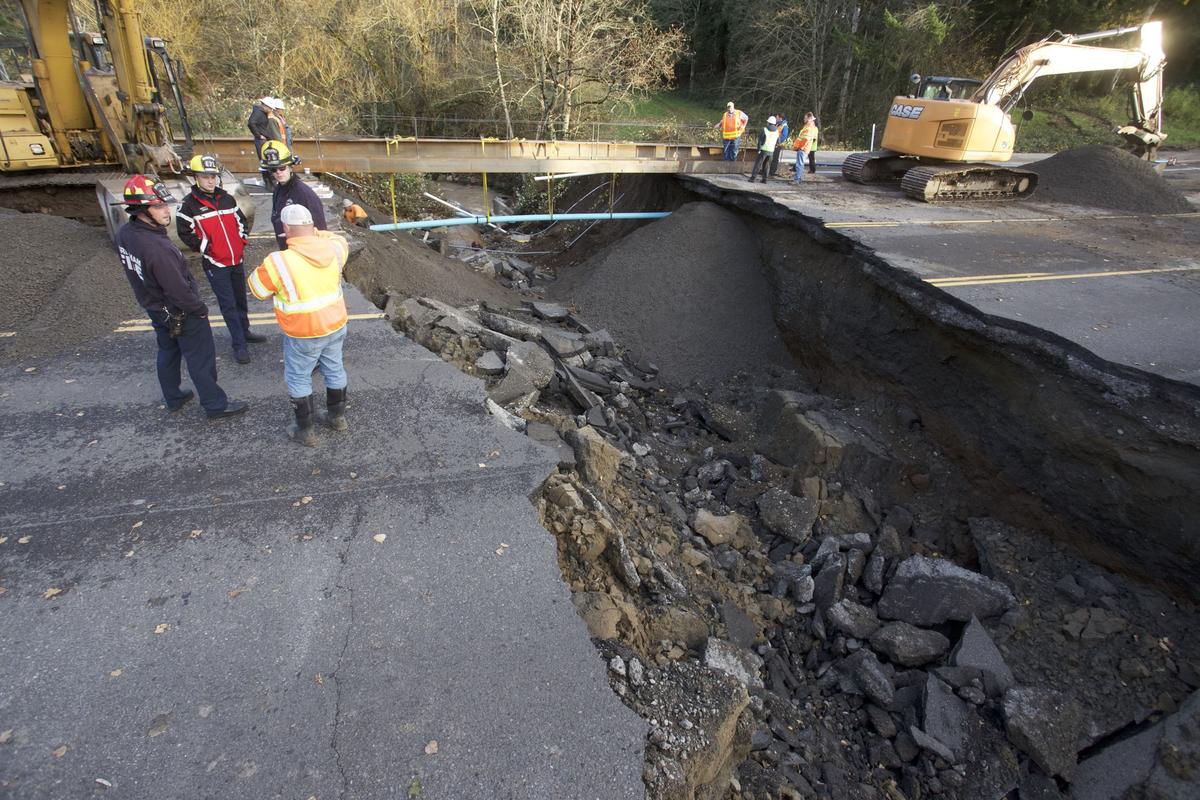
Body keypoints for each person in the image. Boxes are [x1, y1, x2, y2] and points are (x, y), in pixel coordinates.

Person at [114, 175, 248, 420]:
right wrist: (199, 309)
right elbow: (177, 290)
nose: (167, 211)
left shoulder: (126, 233)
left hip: (155, 308)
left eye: (166, 204)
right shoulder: (157, 248)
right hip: (180, 311)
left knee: (168, 350)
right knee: (201, 358)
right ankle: (215, 405)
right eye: (159, 206)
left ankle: (173, 397)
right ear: (141, 210)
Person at [249, 204, 351, 446]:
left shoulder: (278, 262)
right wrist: (313, 233)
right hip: (335, 324)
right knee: (334, 369)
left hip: (304, 332)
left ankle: (305, 430)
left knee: (298, 377)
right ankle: (337, 418)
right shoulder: (335, 248)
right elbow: (335, 236)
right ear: (312, 227)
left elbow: (257, 289)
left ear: (286, 229)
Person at [176, 154, 266, 365]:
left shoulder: (227, 198)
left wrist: (240, 241)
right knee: (228, 305)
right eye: (206, 176)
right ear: (196, 177)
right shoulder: (189, 205)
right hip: (216, 264)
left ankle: (245, 332)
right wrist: (208, 248)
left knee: (240, 300)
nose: (210, 180)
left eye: (213, 176)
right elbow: (185, 233)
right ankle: (238, 344)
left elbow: (241, 221)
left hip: (236, 260)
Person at [261, 139, 327, 251]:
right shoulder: (278, 190)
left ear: (291, 167)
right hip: (288, 251)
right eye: (273, 169)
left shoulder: (304, 195)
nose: (278, 172)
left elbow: (320, 230)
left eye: (282, 168)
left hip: (303, 253)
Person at [748, 116, 780, 184]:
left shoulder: (764, 129)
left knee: (758, 164)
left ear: (768, 122)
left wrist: (758, 149)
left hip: (763, 150)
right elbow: (778, 142)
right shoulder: (777, 131)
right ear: (774, 123)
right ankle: (764, 179)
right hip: (771, 151)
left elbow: (760, 141)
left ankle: (753, 178)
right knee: (766, 166)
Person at [793, 112, 819, 183]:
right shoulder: (809, 126)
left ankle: (797, 179)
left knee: (799, 164)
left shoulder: (809, 127)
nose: (804, 119)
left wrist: (800, 147)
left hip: (803, 148)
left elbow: (806, 138)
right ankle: (798, 178)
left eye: (805, 118)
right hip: (803, 148)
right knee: (800, 164)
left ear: (809, 118)